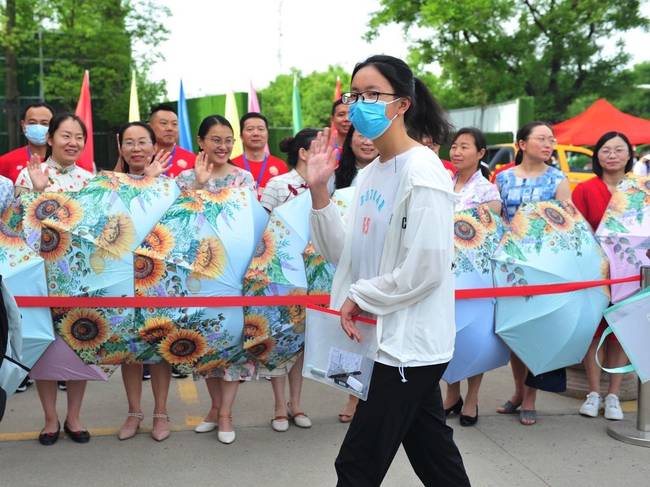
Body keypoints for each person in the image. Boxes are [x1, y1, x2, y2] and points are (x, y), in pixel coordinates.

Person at [306, 54, 470, 486]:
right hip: (380, 340)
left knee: (357, 464)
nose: (360, 104)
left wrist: (362, 296)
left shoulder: (423, 172)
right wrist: (320, 192)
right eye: (355, 95)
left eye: (373, 94)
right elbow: (347, 255)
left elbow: (428, 266)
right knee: (433, 454)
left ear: (402, 105)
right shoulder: (372, 174)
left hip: (407, 347)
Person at [16, 113, 94, 445]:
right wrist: (37, 192)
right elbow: (18, 226)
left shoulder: (91, 180)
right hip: (40, 274)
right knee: (45, 345)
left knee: (79, 343)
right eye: (65, 135)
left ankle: (74, 417)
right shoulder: (28, 174)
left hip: (79, 275)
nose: (72, 142)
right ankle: (50, 418)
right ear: (50, 139)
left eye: (79, 137)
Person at [177, 115, 255, 444]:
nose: (223, 146)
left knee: (234, 344)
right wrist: (197, 184)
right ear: (201, 141)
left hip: (235, 271)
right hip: (200, 273)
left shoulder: (244, 177)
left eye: (228, 140)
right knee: (206, 343)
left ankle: (226, 414)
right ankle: (213, 408)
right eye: (216, 139)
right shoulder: (184, 178)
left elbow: (251, 222)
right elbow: (179, 223)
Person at [495, 121, 571, 426]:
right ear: (522, 144)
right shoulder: (502, 178)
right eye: (541, 138)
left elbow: (567, 224)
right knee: (514, 331)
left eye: (551, 139)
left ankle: (530, 397)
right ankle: (517, 391)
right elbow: (497, 219)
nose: (548, 143)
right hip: (511, 265)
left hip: (545, 264)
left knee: (537, 331)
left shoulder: (558, 179)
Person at [114, 121, 175, 441]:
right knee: (130, 348)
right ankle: (134, 412)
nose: (136, 148)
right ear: (120, 148)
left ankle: (161, 412)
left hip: (159, 275)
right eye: (129, 143)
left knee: (159, 345)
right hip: (120, 274)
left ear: (154, 147)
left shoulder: (169, 186)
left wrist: (150, 185)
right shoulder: (109, 183)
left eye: (142, 142)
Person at [572, 131, 635, 421]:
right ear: (597, 155)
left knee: (621, 332)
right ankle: (593, 392)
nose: (612, 155)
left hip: (630, 273)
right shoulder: (585, 189)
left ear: (628, 155)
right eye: (605, 149)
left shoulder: (639, 190)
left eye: (618, 150)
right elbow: (576, 231)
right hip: (594, 271)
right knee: (592, 331)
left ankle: (613, 395)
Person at [259, 128, 318, 432]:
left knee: (303, 340)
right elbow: (261, 227)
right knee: (279, 337)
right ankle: (279, 406)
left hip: (314, 270)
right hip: (280, 271)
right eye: (320, 147)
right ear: (304, 152)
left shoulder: (325, 183)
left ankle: (297, 404)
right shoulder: (278, 185)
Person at [443, 127, 501, 427]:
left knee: (475, 335)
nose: (456, 152)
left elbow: (490, 234)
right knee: (448, 332)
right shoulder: (443, 182)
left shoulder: (488, 191)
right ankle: (452, 393)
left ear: (480, 153)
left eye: (464, 146)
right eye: (454, 146)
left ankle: (473, 397)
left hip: (475, 275)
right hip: (443, 271)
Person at [231, 112, 288, 197]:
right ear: (241, 136)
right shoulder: (231, 166)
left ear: (267, 135)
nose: (256, 133)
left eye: (261, 129)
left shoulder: (280, 166)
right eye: (250, 129)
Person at [0, 102, 55, 183]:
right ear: (23, 125)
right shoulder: (5, 162)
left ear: (54, 126)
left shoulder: (68, 160)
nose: (38, 127)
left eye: (44, 123)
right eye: (32, 123)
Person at [148, 104, 196, 178]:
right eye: (164, 123)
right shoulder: (141, 157)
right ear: (149, 127)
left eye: (174, 124)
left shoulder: (192, 159)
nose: (170, 128)